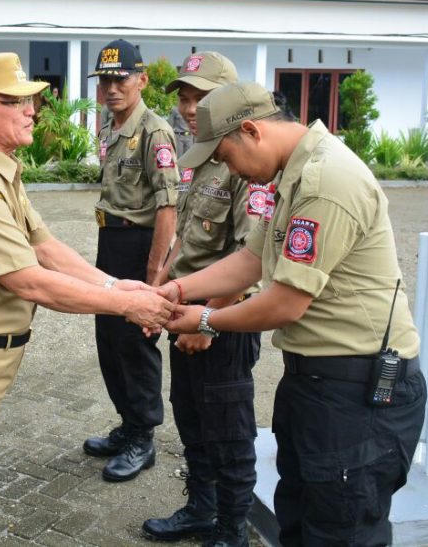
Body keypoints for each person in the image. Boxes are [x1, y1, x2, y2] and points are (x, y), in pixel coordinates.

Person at [0, 52, 175, 547]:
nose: (32, 110)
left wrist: (115, 286)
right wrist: (126, 306)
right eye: (16, 102)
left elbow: (45, 247)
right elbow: (29, 281)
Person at [160, 80, 427, 546]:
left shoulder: (326, 180)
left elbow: (286, 302)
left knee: (340, 531)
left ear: (251, 131)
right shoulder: (293, 176)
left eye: (225, 156)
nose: (229, 170)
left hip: (356, 393)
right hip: (316, 383)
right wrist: (175, 290)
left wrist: (204, 320)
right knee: (301, 523)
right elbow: (250, 260)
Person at [142, 52, 265, 547]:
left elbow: (250, 257)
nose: (191, 109)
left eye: (202, 98)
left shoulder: (246, 164)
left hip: (224, 321)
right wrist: (158, 293)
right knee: (191, 416)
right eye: (186, 99)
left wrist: (208, 321)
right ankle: (201, 509)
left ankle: (232, 531)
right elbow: (188, 238)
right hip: (185, 313)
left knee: (228, 430)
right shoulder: (199, 158)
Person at [84, 39, 180, 483]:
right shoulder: (111, 127)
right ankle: (127, 423)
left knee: (135, 345)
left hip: (141, 245)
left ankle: (143, 436)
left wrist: (155, 274)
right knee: (108, 339)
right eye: (104, 81)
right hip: (111, 241)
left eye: (120, 79)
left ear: (141, 80)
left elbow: (167, 207)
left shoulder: (155, 132)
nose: (111, 88)